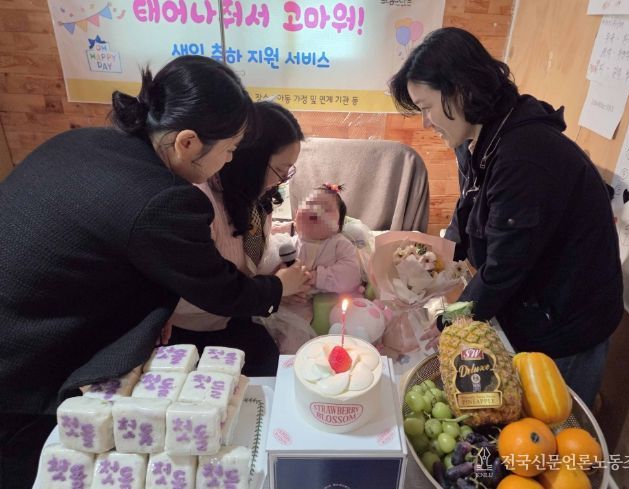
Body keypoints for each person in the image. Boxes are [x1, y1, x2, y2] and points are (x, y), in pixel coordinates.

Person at [0, 56, 309, 488]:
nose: (230, 160)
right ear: (187, 142)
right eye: (229, 149)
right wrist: (275, 289)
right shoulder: (165, 199)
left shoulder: (79, 141)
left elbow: (110, 248)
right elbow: (220, 290)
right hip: (26, 365)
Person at [389, 27, 623, 407]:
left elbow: (504, 266)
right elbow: (469, 206)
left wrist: (450, 321)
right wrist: (437, 259)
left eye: (427, 107)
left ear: (460, 90)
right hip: (531, 301)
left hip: (565, 319)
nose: (426, 122)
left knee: (552, 424)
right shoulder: (478, 136)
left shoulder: (524, 155)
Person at [167, 100, 305, 373]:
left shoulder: (255, 198)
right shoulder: (198, 202)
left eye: (289, 171)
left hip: (234, 314)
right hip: (191, 330)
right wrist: (275, 288)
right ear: (251, 158)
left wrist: (278, 282)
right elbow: (206, 290)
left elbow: (245, 264)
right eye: (280, 169)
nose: (281, 180)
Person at [262, 183, 363, 353]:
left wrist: (316, 277)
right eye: (308, 205)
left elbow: (351, 275)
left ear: (338, 226)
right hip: (292, 301)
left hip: (326, 302)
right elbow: (275, 270)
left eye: (326, 209)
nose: (315, 210)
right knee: (267, 331)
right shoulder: (290, 242)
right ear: (296, 217)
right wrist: (282, 288)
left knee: (294, 341)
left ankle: (293, 360)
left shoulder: (339, 244)